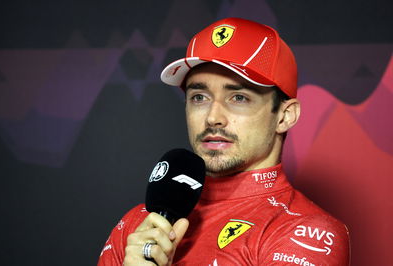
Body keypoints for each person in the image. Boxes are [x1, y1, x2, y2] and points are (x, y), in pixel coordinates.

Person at [98, 17, 350, 265]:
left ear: (285, 116)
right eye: (199, 97)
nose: (213, 117)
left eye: (238, 97)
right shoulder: (137, 226)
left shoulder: (309, 232)